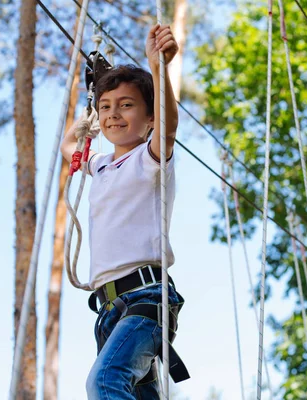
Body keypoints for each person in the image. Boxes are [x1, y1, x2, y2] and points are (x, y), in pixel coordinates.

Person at [60, 23, 186, 399]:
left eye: (126, 105)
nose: (114, 114)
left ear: (149, 119)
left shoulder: (149, 161)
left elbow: (169, 125)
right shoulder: (99, 166)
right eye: (107, 108)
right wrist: (88, 121)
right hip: (109, 310)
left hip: (147, 298)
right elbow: (69, 146)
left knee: (104, 382)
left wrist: (157, 68)